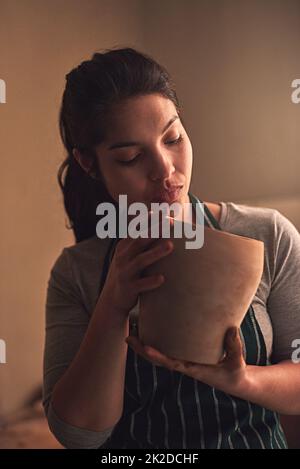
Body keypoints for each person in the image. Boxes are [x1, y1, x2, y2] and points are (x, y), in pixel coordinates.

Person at [43, 47, 300, 449]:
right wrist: (112, 304)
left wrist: (243, 379)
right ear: (89, 164)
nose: (165, 170)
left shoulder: (267, 235)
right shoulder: (76, 272)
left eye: (173, 137)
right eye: (130, 157)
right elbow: (78, 434)